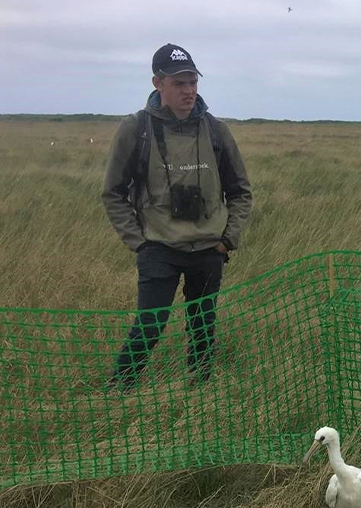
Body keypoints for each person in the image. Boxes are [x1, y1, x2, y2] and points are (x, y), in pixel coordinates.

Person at [102, 43, 253, 389]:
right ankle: (118, 389)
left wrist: (227, 239)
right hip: (158, 248)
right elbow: (113, 192)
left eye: (192, 82)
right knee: (150, 325)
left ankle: (199, 389)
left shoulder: (216, 130)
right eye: (179, 83)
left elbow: (241, 191)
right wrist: (139, 242)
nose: (188, 91)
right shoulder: (135, 129)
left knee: (203, 325)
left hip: (208, 248)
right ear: (158, 83)